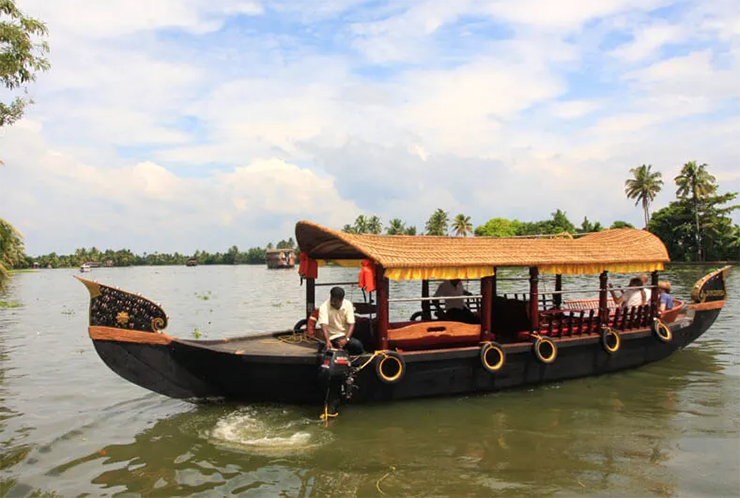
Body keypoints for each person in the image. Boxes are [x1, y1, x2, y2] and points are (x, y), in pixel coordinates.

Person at [317, 286, 363, 355]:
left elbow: (351, 324)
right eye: (332, 300)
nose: (332, 303)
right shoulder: (324, 307)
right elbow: (324, 326)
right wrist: (327, 341)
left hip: (344, 336)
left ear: (341, 300)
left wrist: (346, 339)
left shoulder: (348, 304)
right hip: (332, 337)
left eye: (335, 301)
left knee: (358, 345)